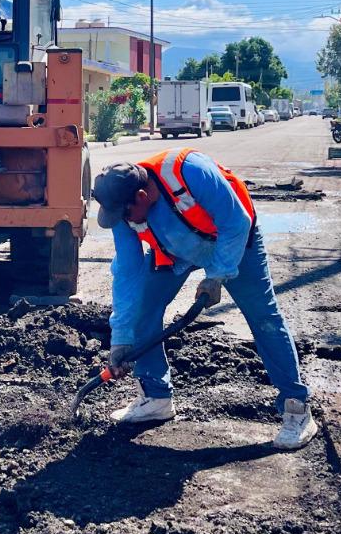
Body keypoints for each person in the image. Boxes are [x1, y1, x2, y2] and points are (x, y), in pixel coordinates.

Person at [90, 149, 316, 451]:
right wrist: (121, 338)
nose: (123, 221)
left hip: (232, 241)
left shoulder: (190, 171)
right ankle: (156, 397)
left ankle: (296, 410)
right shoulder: (121, 208)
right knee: (143, 309)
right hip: (174, 252)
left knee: (263, 318)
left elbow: (235, 222)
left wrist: (217, 275)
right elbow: (127, 271)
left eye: (125, 214)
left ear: (142, 197)